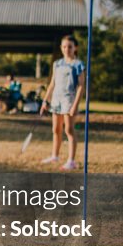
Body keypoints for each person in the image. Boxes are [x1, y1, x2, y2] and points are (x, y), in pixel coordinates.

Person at [40, 35, 86, 170]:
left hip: (69, 100)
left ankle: (71, 161)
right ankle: (55, 155)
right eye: (64, 46)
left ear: (75, 48)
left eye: (70, 47)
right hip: (56, 99)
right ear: (61, 48)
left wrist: (75, 105)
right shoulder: (57, 64)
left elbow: (81, 86)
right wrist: (45, 101)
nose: (67, 49)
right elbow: (52, 84)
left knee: (69, 130)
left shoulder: (78, 64)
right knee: (56, 129)